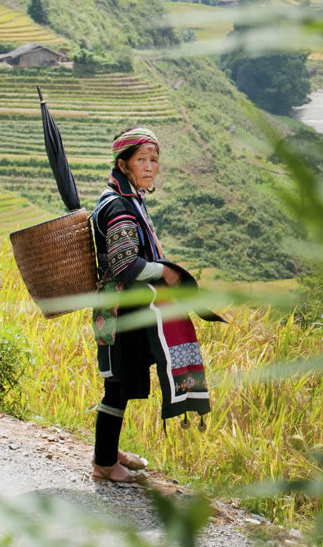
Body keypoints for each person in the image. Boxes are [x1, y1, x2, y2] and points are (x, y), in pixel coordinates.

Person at [90, 126, 218, 483]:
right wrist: (167, 273)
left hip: (126, 310)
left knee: (123, 381)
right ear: (123, 163)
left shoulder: (128, 200)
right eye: (141, 160)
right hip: (119, 313)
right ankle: (103, 465)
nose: (149, 167)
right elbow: (125, 266)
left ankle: (109, 451)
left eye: (154, 160)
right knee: (116, 386)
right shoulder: (119, 207)